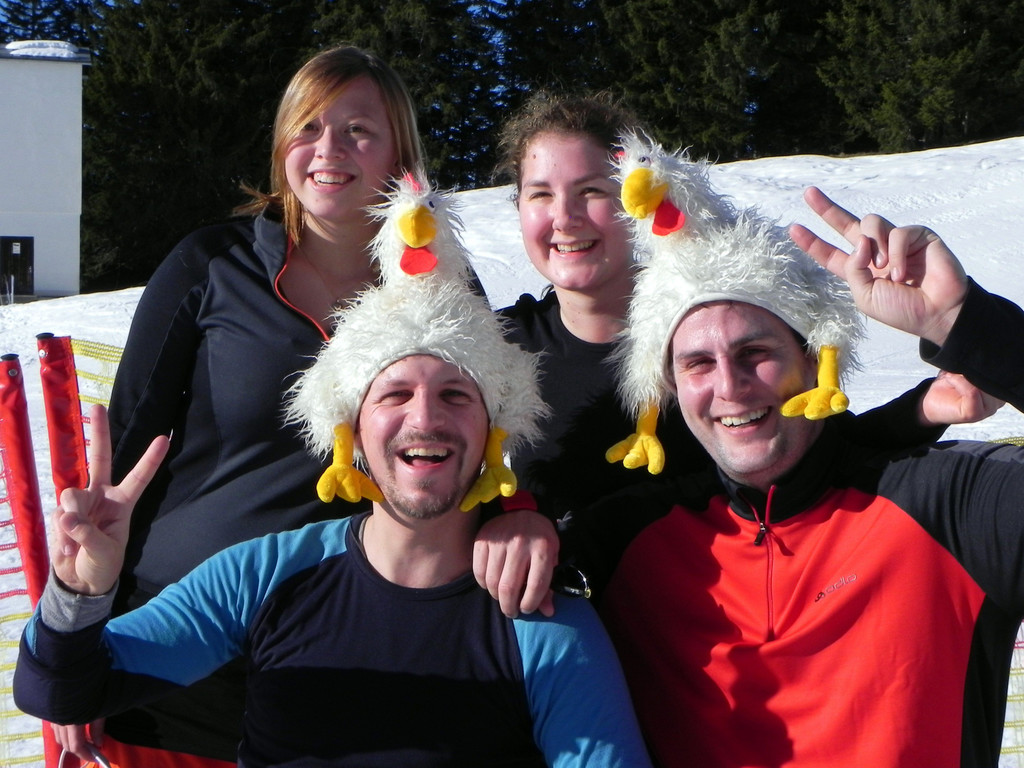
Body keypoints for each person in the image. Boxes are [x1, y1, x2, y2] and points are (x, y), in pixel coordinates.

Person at [15, 245, 655, 768]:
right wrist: (80, 590)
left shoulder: (542, 621)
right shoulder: (262, 576)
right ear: (350, 431)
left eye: (457, 395)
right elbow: (58, 690)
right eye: (394, 394)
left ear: (493, 431)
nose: (425, 418)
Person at [559, 144, 1020, 767]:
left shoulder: (949, 505)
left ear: (812, 358)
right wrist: (514, 524)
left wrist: (967, 324)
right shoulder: (622, 543)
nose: (729, 386)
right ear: (670, 389)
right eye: (697, 363)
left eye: (755, 353)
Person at [476, 92, 998, 617]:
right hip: (565, 641)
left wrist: (922, 410)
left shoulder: (716, 327)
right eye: (539, 194)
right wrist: (506, 515)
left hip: (725, 633)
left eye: (591, 190)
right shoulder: (489, 350)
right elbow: (442, 481)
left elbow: (814, 455)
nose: (564, 217)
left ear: (635, 192)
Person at [64, 45, 425, 767]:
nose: (329, 149)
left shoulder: (434, 287)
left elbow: (478, 451)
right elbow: (125, 452)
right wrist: (80, 636)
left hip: (352, 650)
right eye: (308, 127)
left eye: (359, 130)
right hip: (176, 640)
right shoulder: (211, 264)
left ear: (400, 154)